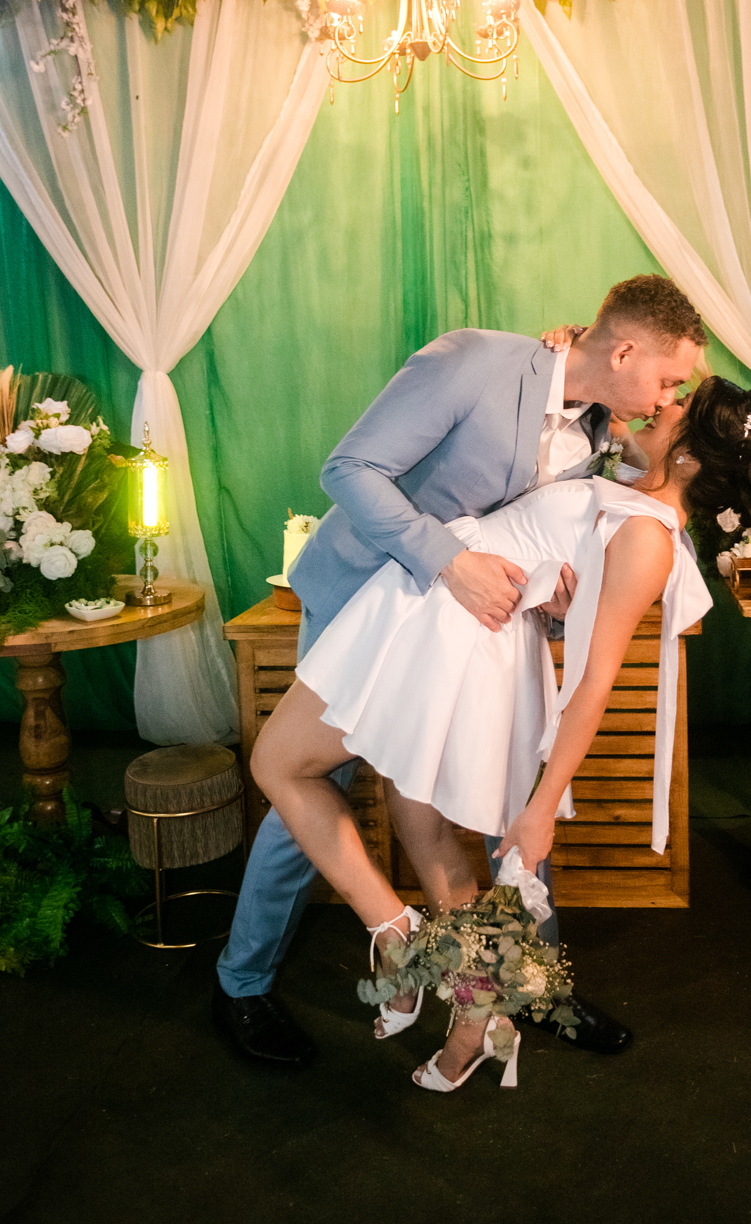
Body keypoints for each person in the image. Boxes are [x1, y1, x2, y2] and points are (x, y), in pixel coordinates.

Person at [250, 377, 751, 1091]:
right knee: (414, 813)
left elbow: (595, 682)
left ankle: (397, 933)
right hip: (444, 608)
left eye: (678, 406)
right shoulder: (632, 490)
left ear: (691, 458)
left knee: (279, 763)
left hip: (451, 630)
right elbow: (586, 439)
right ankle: (478, 1018)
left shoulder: (649, 540)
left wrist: (542, 805)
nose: (659, 403)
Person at [212, 274, 707, 1064]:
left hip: (473, 633)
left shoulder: (601, 433)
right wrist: (452, 562)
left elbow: (537, 537)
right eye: (669, 378)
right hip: (365, 601)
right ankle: (243, 983)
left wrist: (552, 600)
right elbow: (349, 469)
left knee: (516, 801)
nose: (668, 397)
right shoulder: (472, 361)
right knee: (309, 781)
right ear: (623, 352)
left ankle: (529, 983)